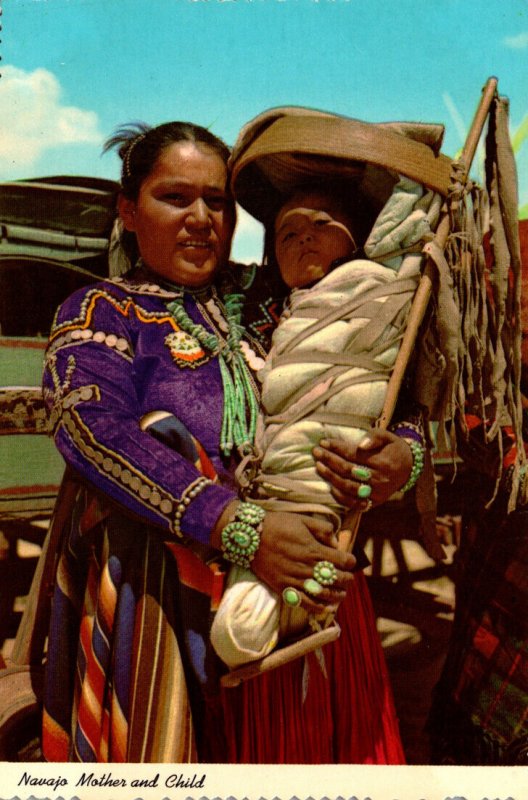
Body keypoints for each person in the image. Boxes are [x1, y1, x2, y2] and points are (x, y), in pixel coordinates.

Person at [40, 120, 410, 764]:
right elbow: (92, 430)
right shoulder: (100, 312)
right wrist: (238, 528)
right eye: (174, 198)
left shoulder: (280, 298)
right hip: (164, 596)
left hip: (307, 567)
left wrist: (401, 454)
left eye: (216, 201)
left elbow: (375, 372)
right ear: (129, 211)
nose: (200, 219)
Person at [210, 184, 425, 669]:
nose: (306, 237)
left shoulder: (358, 305)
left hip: (323, 552)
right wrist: (241, 530)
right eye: (288, 233)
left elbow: (404, 399)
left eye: (323, 223)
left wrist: (405, 457)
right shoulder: (110, 311)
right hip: (207, 576)